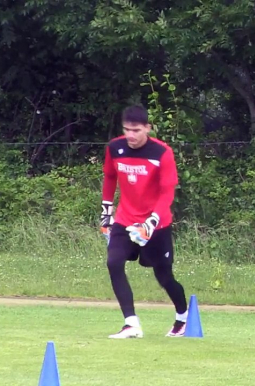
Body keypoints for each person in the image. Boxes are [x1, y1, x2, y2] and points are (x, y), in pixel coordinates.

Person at [100, 105, 189, 339]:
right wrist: (106, 211)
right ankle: (131, 324)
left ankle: (183, 318)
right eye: (127, 129)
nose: (130, 135)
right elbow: (110, 178)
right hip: (125, 220)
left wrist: (151, 222)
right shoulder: (114, 148)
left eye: (136, 130)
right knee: (114, 262)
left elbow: (167, 193)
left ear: (147, 128)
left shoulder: (162, 152)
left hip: (156, 225)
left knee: (164, 276)